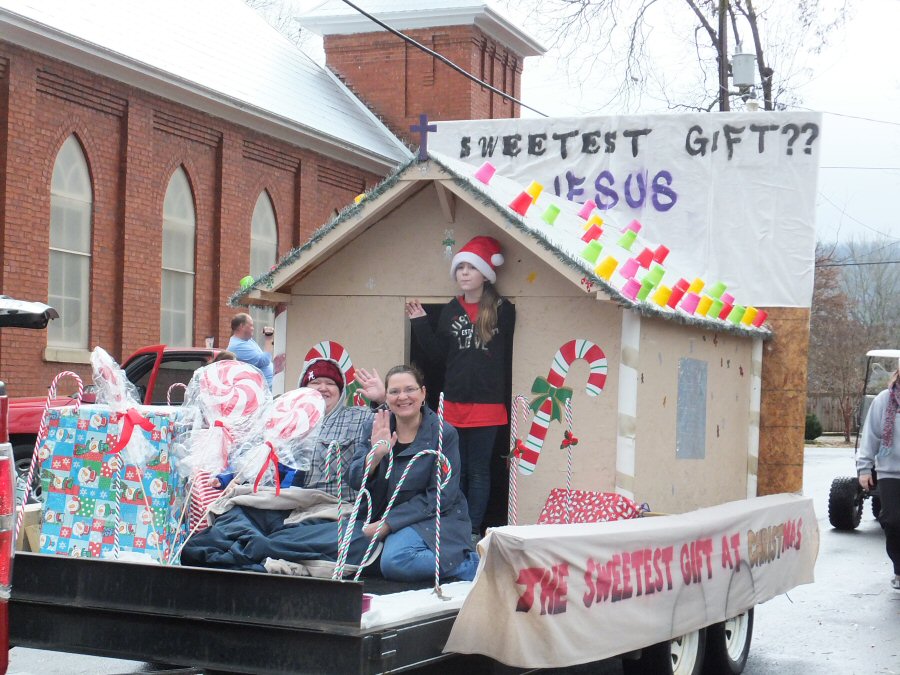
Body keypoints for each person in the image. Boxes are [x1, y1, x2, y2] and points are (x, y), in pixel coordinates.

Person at [180, 357, 382, 570]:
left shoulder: (358, 418)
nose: (323, 388)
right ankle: (254, 548)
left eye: (330, 383)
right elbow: (258, 459)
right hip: (282, 503)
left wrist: (381, 400)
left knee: (350, 537)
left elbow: (392, 428)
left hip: (327, 510)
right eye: (315, 382)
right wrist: (227, 478)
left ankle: (257, 549)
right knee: (233, 518)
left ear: (341, 391)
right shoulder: (283, 417)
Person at [406, 235, 515, 541]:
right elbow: (438, 355)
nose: (465, 273)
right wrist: (420, 323)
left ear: (486, 274)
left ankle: (472, 530)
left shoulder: (503, 310)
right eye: (460, 268)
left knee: (478, 471)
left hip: (488, 404)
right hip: (454, 402)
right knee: (456, 469)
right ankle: (454, 524)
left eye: (472, 267)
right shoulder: (451, 310)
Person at [349, 364, 478, 582]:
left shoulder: (443, 433)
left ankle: (469, 565)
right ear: (386, 397)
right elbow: (354, 480)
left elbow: (442, 495)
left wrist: (388, 524)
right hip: (386, 516)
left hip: (434, 516)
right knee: (335, 548)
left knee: (395, 561)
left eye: (410, 389)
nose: (402, 397)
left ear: (423, 393)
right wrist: (376, 455)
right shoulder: (376, 426)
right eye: (394, 391)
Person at [858, 366, 900, 590]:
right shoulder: (884, 400)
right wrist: (864, 468)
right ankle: (899, 569)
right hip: (890, 471)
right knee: (892, 521)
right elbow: (871, 435)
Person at [227, 313, 274, 388]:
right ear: (242, 326)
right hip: (266, 388)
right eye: (251, 325)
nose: (253, 328)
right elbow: (264, 361)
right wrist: (269, 338)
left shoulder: (246, 340)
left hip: (271, 384)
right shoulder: (237, 346)